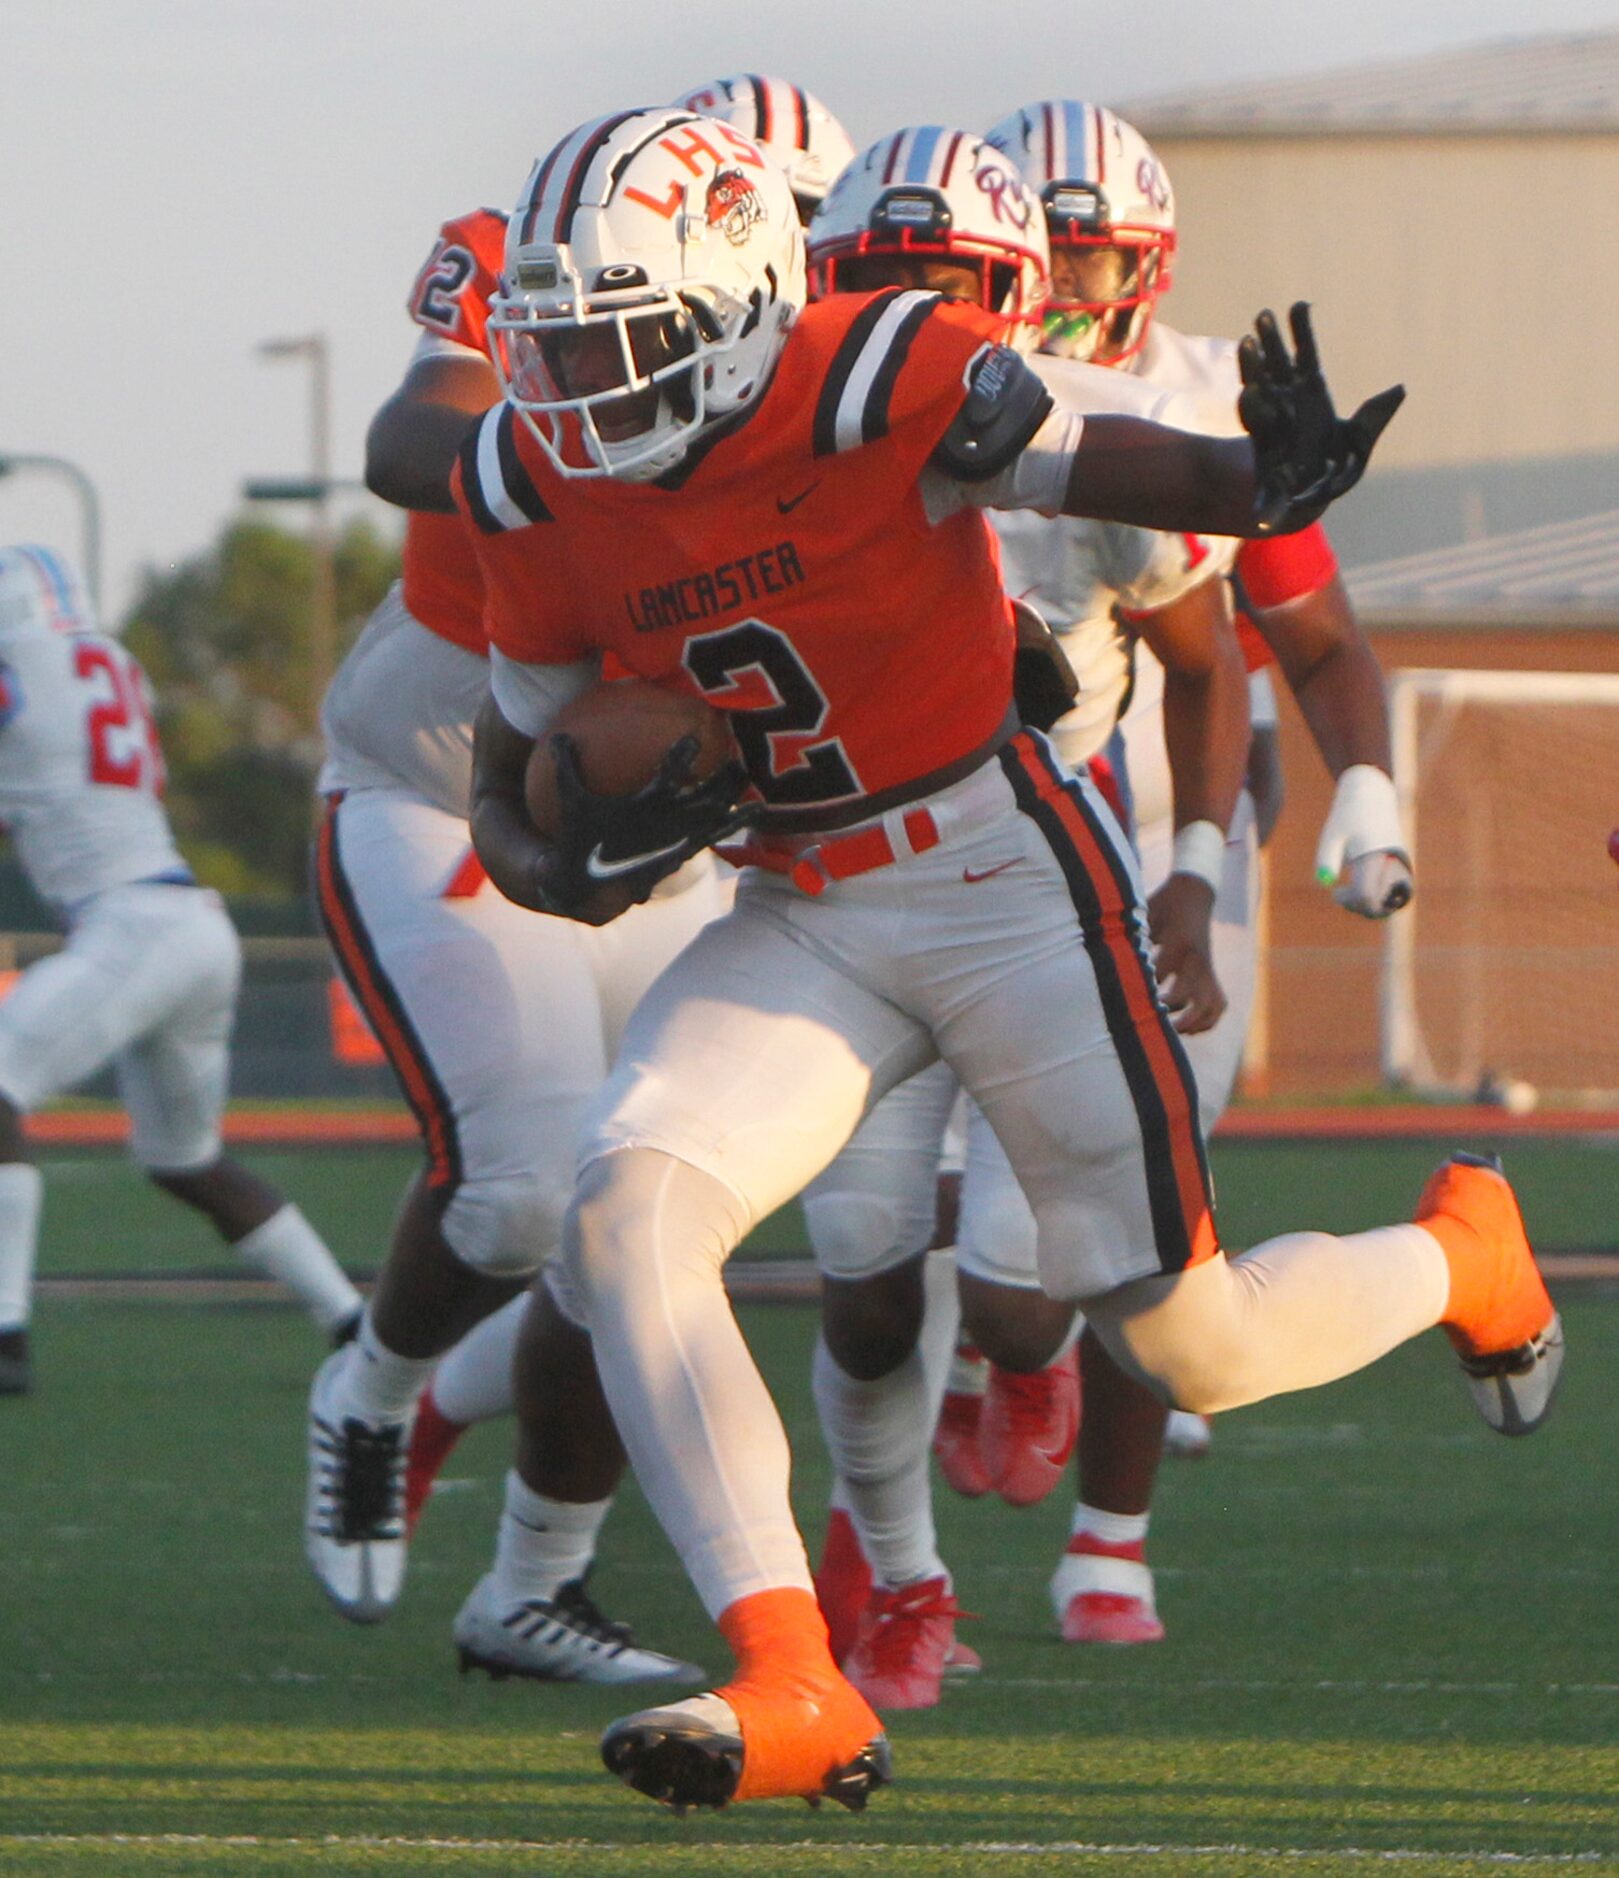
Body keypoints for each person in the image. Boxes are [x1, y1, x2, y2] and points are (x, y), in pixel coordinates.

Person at [458, 105, 1546, 1816]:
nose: (579, 381)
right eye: (553, 339)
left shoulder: (874, 365)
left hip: (995, 870)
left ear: (741, 298)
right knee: (625, 1207)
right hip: (798, 905)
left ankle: (1460, 1251)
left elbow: (1112, 473)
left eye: (616, 336)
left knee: (1193, 1344)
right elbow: (509, 786)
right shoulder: (530, 478)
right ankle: (788, 1668)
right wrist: (567, 866)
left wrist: (1257, 483)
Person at [793, 124, 1249, 1707]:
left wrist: (1191, 871)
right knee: (856, 1265)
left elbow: (1208, 656)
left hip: (1033, 866)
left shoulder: (1092, 432)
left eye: (955, 286)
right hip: (833, 872)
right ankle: (900, 1581)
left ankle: (1030, 1364)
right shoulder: (776, 436)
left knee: (1009, 1277)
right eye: (879, 282)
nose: (920, 317)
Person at [398, 71, 863, 1541]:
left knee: (723, 1219)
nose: (608, 331)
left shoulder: (865, 364)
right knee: (589, 1198)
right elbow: (425, 457)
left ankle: (469, 1443)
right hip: (511, 753)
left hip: (848, 841)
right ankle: (435, 1444)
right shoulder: (544, 446)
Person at [304, 181, 720, 1684]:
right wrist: (580, 472)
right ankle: (376, 1382)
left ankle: (533, 1584)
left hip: (670, 835)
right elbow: (409, 442)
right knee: (517, 1200)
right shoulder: (534, 268)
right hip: (439, 785)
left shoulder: (820, 364)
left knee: (656, 1224)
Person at [0, 544, 362, 1397]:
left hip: (131, 925)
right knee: (185, 1161)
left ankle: (6, 1330)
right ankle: (352, 1319)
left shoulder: (19, 669)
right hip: (192, 926)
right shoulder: (113, 665)